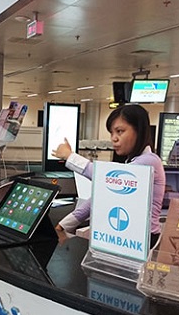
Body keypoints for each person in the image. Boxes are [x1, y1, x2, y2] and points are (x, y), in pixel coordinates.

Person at [51, 104, 166, 248]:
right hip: (125, 237)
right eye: (112, 133)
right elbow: (99, 197)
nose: (114, 139)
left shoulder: (150, 161)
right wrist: (63, 225)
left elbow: (109, 179)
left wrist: (70, 156)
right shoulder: (131, 163)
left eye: (120, 131)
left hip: (144, 240)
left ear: (139, 131)